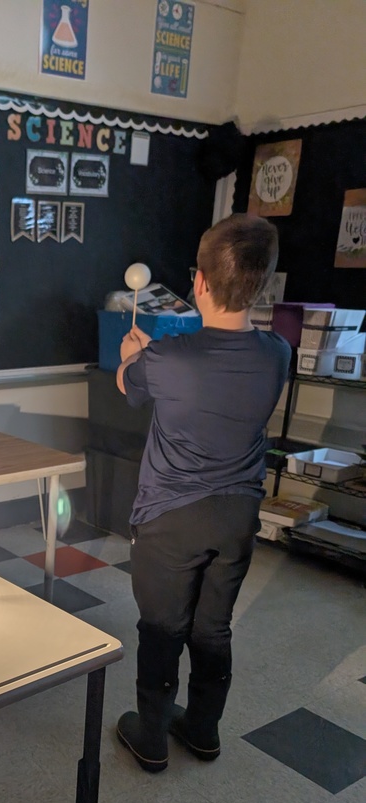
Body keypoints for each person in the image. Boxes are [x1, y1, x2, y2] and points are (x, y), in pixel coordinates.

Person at [114, 213, 291, 773]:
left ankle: (151, 737)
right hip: (238, 516)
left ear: (199, 281)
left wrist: (132, 355)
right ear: (261, 284)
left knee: (162, 627)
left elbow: (129, 385)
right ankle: (203, 730)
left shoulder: (168, 357)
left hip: (172, 516)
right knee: (213, 627)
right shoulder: (278, 353)